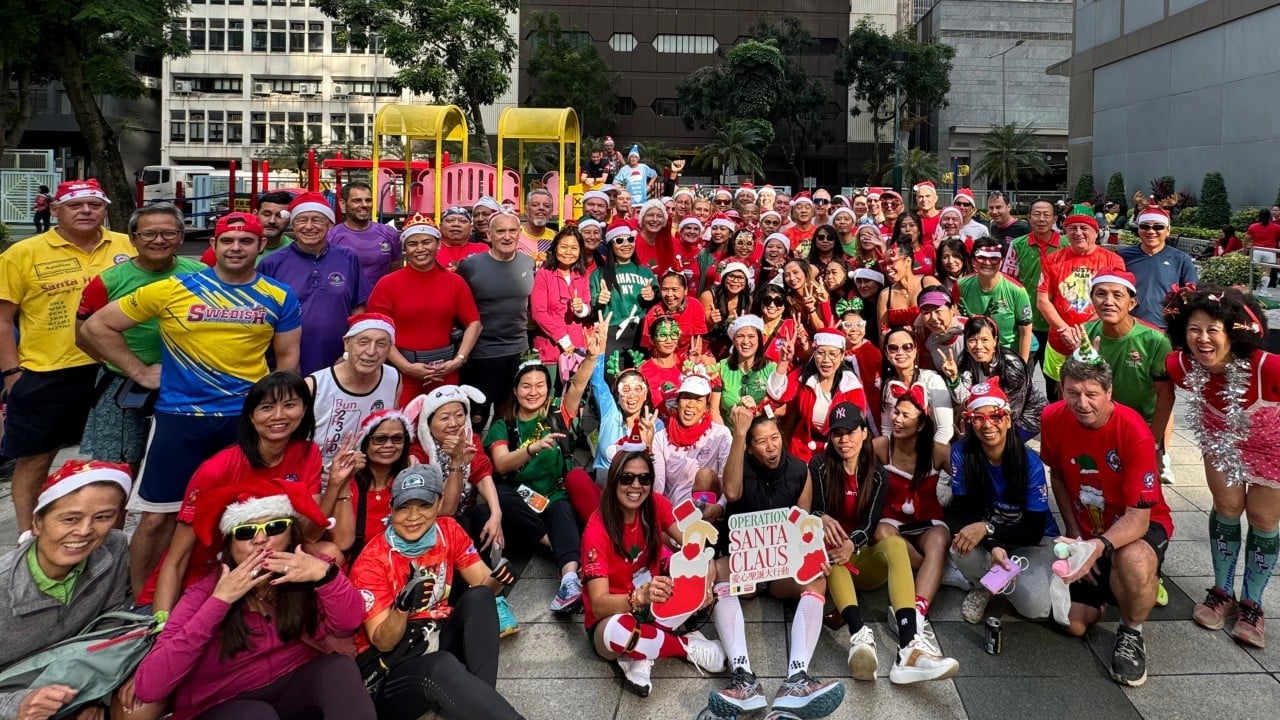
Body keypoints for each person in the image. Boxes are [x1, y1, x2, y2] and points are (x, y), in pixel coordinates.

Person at [78, 212, 301, 598]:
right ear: (212, 247)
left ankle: (232, 593)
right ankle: (138, 602)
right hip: (180, 418)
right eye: (227, 241)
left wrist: (278, 418)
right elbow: (97, 326)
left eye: (245, 241)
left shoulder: (280, 295)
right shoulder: (174, 288)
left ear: (261, 246)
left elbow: (287, 364)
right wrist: (140, 372)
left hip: (243, 421)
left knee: (247, 516)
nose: (236, 248)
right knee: (157, 518)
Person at [135, 478, 373, 720]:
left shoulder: (308, 568)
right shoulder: (204, 593)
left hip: (293, 684)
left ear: (291, 534)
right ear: (229, 543)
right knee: (256, 714)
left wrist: (326, 577)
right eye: (246, 531)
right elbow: (150, 686)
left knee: (338, 670)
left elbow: (349, 624)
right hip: (223, 703)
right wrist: (219, 602)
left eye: (274, 527)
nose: (260, 540)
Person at [147, 371, 357, 615]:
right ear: (251, 415)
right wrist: (161, 619)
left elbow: (310, 533)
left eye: (290, 405)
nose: (279, 416)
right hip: (212, 569)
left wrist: (334, 484)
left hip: (271, 561)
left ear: (304, 410)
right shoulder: (217, 468)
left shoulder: (307, 453)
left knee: (330, 555)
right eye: (267, 407)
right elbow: (178, 556)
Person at [0, 179, 134, 536]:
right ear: (55, 210)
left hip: (113, 368)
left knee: (115, 459)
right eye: (75, 205)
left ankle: (110, 539)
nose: (86, 211)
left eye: (94, 204)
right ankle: (30, 538)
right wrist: (11, 372)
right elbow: (2, 319)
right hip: (48, 370)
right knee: (35, 458)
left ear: (105, 209)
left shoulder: (127, 245)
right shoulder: (22, 253)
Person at [348, 464, 524, 720]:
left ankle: (480, 705)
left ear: (439, 502)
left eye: (424, 505)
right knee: (439, 667)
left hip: (435, 637)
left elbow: (484, 585)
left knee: (480, 597)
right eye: (404, 507)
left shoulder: (448, 530)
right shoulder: (372, 561)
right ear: (391, 509)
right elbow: (382, 641)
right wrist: (401, 608)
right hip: (393, 670)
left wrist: (499, 578)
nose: (413, 517)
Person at [1042, 354, 1173, 686]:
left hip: (1139, 523)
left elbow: (1139, 518)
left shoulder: (1133, 430)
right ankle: (1117, 590)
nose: (1082, 403)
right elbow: (1057, 474)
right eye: (1073, 393)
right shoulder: (1052, 417)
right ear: (1061, 390)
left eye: (1091, 393)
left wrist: (1096, 548)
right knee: (1072, 624)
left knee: (1133, 558)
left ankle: (1132, 631)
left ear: (1109, 391)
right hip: (1089, 526)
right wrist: (1074, 533)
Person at [808, 403, 960, 683]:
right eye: (837, 434)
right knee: (832, 551)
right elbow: (811, 508)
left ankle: (909, 646)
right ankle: (859, 638)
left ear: (864, 433)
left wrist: (852, 543)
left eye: (851, 432)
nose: (844, 440)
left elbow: (870, 522)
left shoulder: (877, 474)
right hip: (828, 560)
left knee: (894, 545)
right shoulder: (819, 465)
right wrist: (820, 517)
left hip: (861, 557)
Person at [708, 408, 844, 718]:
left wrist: (813, 558)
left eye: (774, 439)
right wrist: (739, 434)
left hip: (782, 567)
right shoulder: (739, 465)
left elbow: (803, 524)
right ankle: (743, 676)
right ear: (750, 447)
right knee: (717, 570)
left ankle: (797, 678)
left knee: (816, 578)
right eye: (761, 442)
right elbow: (730, 492)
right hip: (745, 566)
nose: (770, 447)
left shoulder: (800, 470)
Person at [1164, 287, 1279, 648]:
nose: (1202, 339)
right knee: (1227, 509)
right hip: (1219, 442)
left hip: (1273, 448)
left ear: (1234, 331)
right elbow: (1163, 390)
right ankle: (1222, 591)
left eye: (1213, 330)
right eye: (1194, 329)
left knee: (1262, 520)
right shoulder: (1180, 365)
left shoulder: (1269, 367)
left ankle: (1253, 604)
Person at [581, 450, 726, 697]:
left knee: (695, 575)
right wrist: (639, 597)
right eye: (627, 478)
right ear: (614, 480)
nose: (636, 486)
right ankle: (684, 646)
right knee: (619, 633)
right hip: (615, 615)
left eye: (644, 478)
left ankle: (641, 652)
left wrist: (707, 568)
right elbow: (598, 604)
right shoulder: (596, 531)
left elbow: (693, 544)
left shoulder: (655, 503)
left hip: (655, 601)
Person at [0, 460, 133, 720]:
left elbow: (110, 625)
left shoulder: (113, 548)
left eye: (103, 517)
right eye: (70, 518)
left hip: (69, 679)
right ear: (37, 523)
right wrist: (18, 706)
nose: (84, 531)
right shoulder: (4, 585)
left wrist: (93, 695)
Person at [76, 203, 204, 465]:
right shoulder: (108, 281)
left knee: (183, 463)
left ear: (181, 236)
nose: (159, 240)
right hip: (122, 384)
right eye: (148, 234)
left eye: (169, 233)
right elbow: (83, 337)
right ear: (134, 238)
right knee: (116, 467)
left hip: (189, 385)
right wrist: (126, 366)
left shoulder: (202, 276)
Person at [482, 358, 591, 612]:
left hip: (554, 495)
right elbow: (501, 464)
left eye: (540, 385)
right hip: (521, 503)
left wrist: (593, 357)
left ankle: (569, 581)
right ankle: (555, 542)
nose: (533, 392)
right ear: (515, 390)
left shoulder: (556, 415)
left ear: (548, 388)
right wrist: (531, 449)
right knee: (500, 495)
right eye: (526, 386)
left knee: (562, 510)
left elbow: (576, 387)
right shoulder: (504, 425)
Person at [948, 382, 1060, 622]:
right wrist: (992, 544)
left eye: (996, 416)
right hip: (994, 538)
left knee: (1036, 608)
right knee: (959, 548)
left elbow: (1033, 530)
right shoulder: (961, 453)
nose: (987, 425)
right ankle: (989, 584)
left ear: (1008, 419)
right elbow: (964, 510)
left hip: (1035, 541)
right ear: (970, 422)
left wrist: (989, 530)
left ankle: (994, 582)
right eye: (978, 418)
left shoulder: (1030, 463)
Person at [367, 214, 482, 407]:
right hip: (402, 372)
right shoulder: (388, 284)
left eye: (426, 242)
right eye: (413, 244)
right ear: (405, 249)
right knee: (403, 428)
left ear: (438, 245)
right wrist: (407, 367)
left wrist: (459, 359)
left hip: (444, 371)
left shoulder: (454, 282)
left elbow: (474, 323)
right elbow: (377, 331)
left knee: (445, 427)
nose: (420, 249)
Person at [258, 192, 369, 376]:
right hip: (285, 365)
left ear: (330, 224)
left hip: (339, 362)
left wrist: (351, 351)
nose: (309, 226)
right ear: (293, 225)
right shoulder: (272, 264)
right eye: (302, 220)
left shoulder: (348, 258)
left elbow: (358, 309)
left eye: (316, 220)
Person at [873, 387, 953, 634]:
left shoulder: (938, 451)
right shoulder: (880, 446)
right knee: (881, 533)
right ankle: (934, 568)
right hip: (892, 521)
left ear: (920, 424)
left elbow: (965, 485)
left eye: (906, 416)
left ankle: (916, 612)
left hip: (928, 520)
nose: (897, 419)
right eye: (896, 413)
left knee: (939, 539)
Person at [1082, 270, 1174, 479]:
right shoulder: (1086, 334)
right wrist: (1088, 368)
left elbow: (1166, 395)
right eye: (1101, 294)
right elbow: (1073, 387)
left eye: (1117, 295)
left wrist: (1154, 442)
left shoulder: (1155, 341)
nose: (1108, 301)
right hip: (1099, 423)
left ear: (1132, 303)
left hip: (1141, 426)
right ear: (1092, 299)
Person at [458, 211, 537, 426]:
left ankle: (502, 458)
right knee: (476, 417)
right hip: (482, 352)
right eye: (500, 231)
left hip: (517, 349)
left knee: (508, 413)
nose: (507, 236)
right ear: (489, 235)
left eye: (512, 231)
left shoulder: (528, 264)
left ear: (519, 233)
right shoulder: (470, 266)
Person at [1036, 205, 1123, 398]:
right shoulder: (1052, 259)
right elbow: (1043, 300)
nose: (1078, 233)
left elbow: (1116, 302)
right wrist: (1064, 329)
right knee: (1058, 397)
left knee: (1095, 396)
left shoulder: (1113, 261)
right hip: (1059, 342)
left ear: (1096, 231)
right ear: (1065, 231)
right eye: (1072, 228)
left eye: (1084, 228)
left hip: (1097, 342)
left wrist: (1083, 330)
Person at [306, 313, 401, 474]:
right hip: (317, 476)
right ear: (347, 343)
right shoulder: (314, 385)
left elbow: (391, 430)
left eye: (381, 344)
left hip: (367, 475)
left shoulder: (393, 378)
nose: (371, 351)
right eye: (363, 342)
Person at [767, 329, 868, 463]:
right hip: (802, 447)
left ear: (842, 355)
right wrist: (783, 362)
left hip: (838, 451)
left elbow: (857, 427)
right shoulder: (804, 377)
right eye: (821, 353)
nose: (826, 360)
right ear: (814, 354)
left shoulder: (852, 386)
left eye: (833, 354)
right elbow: (777, 394)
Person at [940, 315, 1046, 441]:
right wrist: (954, 378)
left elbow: (1012, 413)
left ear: (995, 341)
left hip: (1027, 417)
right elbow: (964, 397)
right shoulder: (968, 361)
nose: (978, 346)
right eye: (972, 340)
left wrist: (982, 431)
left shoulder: (1012, 366)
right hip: (990, 415)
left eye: (985, 340)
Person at [651, 371, 732, 516]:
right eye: (686, 397)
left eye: (698, 400)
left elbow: (727, 480)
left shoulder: (720, 434)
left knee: (705, 475)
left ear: (707, 407)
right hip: (672, 515)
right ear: (677, 402)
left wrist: (720, 507)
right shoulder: (660, 438)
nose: (690, 405)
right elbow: (658, 485)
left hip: (707, 514)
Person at [1002, 198, 1063, 386]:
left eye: (1047, 215)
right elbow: (1008, 282)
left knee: (1056, 383)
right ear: (1029, 218)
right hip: (1026, 324)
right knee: (1020, 379)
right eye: (1037, 214)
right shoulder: (1018, 245)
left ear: (1054, 219)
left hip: (1057, 325)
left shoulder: (1067, 245)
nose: (1041, 219)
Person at [1118, 205, 1197, 330]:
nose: (1151, 231)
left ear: (1168, 230)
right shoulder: (1123, 257)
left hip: (1164, 328)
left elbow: (1192, 294)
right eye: (1145, 226)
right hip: (1127, 326)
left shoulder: (1181, 259)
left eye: (1158, 227)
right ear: (1138, 230)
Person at [530, 226, 592, 384]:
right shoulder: (544, 274)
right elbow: (538, 313)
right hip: (550, 347)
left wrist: (581, 309)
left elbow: (587, 307)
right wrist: (563, 339)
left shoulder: (581, 275)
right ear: (555, 248)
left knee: (572, 398)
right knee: (548, 397)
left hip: (577, 347)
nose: (568, 252)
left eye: (574, 248)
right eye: (563, 247)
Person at [348, 409, 412, 560]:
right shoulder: (348, 482)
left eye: (397, 438)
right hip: (356, 565)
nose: (389, 445)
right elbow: (340, 542)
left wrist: (457, 462)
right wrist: (340, 481)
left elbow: (445, 511)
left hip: (398, 562)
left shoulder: (409, 481)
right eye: (380, 439)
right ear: (365, 443)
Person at [958, 237, 1033, 362]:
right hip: (975, 353)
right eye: (981, 257)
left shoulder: (1017, 291)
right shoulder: (961, 286)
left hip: (1008, 354)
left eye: (994, 258)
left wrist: (1021, 366)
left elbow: (1025, 332)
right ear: (973, 261)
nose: (987, 263)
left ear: (1002, 261)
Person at [591, 221, 658, 354]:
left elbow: (658, 303)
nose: (626, 244)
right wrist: (599, 299)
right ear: (611, 245)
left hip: (640, 332)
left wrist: (653, 296)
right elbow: (591, 303)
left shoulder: (646, 272)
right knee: (613, 373)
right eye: (620, 240)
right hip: (612, 332)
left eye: (630, 239)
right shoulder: (598, 273)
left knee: (638, 374)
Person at [880, 327, 954, 444]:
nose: (900, 352)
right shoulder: (888, 386)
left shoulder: (932, 380)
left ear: (915, 350)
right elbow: (887, 430)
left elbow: (945, 430)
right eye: (893, 348)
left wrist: (929, 459)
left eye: (907, 347)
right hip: (900, 452)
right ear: (886, 353)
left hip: (932, 449)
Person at [327, 181, 402, 289]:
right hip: (346, 304)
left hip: (380, 302)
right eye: (357, 201)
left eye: (368, 200)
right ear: (343, 203)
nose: (364, 205)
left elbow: (395, 272)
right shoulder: (331, 237)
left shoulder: (390, 234)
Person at [712, 315, 777, 424]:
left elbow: (782, 409)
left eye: (751, 336)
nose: (745, 341)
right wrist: (725, 437)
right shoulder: (722, 367)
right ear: (733, 340)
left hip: (758, 434)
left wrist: (757, 411)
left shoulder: (771, 368)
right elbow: (714, 410)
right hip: (729, 435)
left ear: (759, 339)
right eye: (740, 336)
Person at [878, 237, 942, 332]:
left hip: (931, 344)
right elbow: (882, 334)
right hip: (900, 345)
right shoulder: (885, 295)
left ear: (907, 261)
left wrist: (922, 316)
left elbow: (946, 310)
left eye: (891, 262)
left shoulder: (927, 283)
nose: (887, 268)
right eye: (884, 264)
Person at [641, 270, 707, 356]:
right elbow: (650, 348)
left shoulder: (695, 305)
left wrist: (693, 363)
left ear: (685, 290)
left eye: (674, 289)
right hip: (663, 358)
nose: (669, 294)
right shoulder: (653, 314)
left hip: (689, 356)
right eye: (664, 289)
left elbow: (697, 339)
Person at [700, 262, 752, 355]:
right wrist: (710, 321)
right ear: (724, 278)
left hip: (732, 346)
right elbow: (699, 328)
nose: (735, 281)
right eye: (731, 276)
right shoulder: (709, 296)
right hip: (706, 344)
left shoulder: (748, 300)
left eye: (740, 278)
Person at [436, 205, 488, 271]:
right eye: (449, 221)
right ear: (440, 226)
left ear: (471, 228)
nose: (456, 224)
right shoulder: (432, 250)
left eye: (463, 221)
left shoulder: (482, 250)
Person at [517, 188, 556, 259]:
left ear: (551, 213)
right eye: (535, 205)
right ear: (526, 210)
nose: (541, 208)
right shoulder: (514, 236)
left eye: (546, 206)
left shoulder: (557, 238)